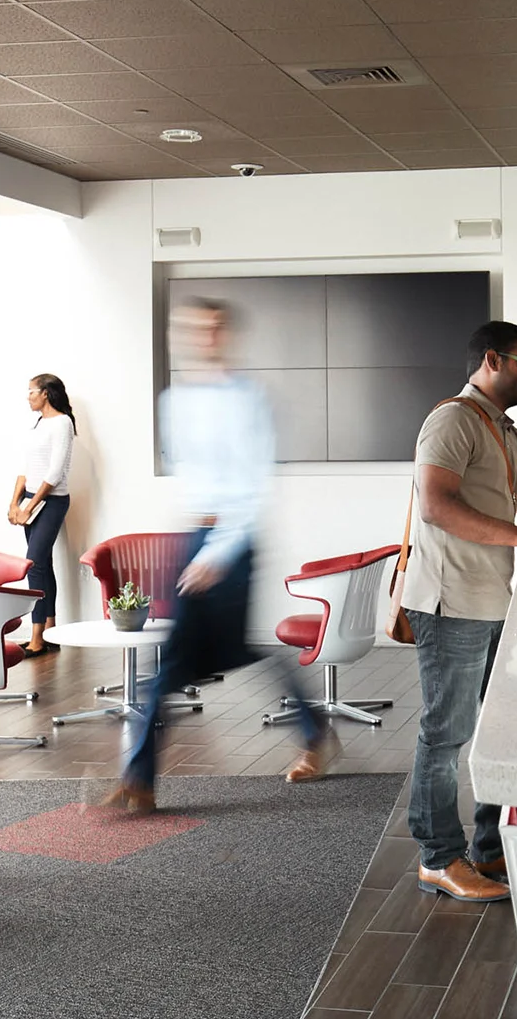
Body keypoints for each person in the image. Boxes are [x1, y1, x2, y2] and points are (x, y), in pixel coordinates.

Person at [103, 298, 336, 813]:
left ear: (225, 334)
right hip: (194, 538)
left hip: (231, 544)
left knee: (188, 659)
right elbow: (192, 476)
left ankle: (139, 778)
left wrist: (220, 550)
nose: (201, 337)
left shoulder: (248, 398)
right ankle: (312, 728)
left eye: (212, 328)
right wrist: (192, 542)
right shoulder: (174, 400)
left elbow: (253, 482)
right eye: (192, 328)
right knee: (218, 654)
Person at [399, 321, 517, 903]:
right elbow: (435, 506)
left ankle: (491, 845)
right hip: (452, 603)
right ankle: (438, 857)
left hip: (494, 599)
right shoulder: (451, 421)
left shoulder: (506, 433)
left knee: (507, 722)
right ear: (494, 361)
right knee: (448, 732)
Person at [10, 374, 74, 658]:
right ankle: (50, 630)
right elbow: (26, 468)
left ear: (45, 393)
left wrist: (29, 506)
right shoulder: (37, 425)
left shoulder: (62, 423)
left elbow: (54, 473)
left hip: (51, 501)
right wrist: (14, 503)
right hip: (31, 499)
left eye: (31, 391)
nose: (28, 396)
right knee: (43, 565)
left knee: (33, 564)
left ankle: (37, 637)